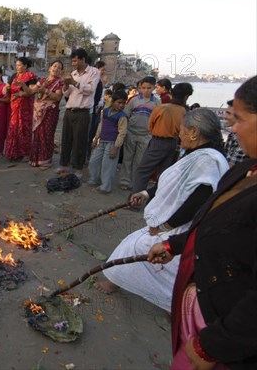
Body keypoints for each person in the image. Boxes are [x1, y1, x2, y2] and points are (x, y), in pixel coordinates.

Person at [147, 76, 257, 369]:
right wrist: (175, 244)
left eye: (240, 119)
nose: (232, 129)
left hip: (230, 339)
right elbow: (211, 218)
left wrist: (211, 347)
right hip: (209, 307)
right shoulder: (247, 168)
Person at [97, 108, 229, 313]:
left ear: (194, 132)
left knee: (135, 246)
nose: (179, 134)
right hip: (173, 224)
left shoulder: (207, 160)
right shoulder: (197, 155)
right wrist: (146, 194)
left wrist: (165, 226)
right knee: (133, 244)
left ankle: (174, 303)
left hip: (181, 228)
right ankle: (120, 282)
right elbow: (172, 182)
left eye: (182, 130)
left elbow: (197, 200)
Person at [131, 83, 192, 193]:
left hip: (158, 141)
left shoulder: (161, 108)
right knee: (164, 175)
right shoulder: (185, 111)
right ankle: (154, 201)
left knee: (143, 171)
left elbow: (150, 127)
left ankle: (135, 201)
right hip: (174, 144)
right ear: (186, 97)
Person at [57, 49, 101, 179]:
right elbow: (67, 93)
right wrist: (65, 85)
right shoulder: (73, 73)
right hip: (69, 110)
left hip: (83, 112)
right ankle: (63, 164)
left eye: (76, 60)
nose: (74, 63)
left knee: (80, 141)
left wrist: (74, 82)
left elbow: (90, 90)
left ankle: (78, 167)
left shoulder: (94, 72)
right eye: (73, 60)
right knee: (66, 139)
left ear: (83, 59)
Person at [119, 76, 161, 190]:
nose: (145, 90)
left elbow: (158, 119)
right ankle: (124, 180)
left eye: (148, 88)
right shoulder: (134, 100)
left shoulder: (157, 102)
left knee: (139, 160)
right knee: (127, 158)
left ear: (153, 88)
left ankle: (134, 182)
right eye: (143, 88)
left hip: (146, 135)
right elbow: (126, 115)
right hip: (131, 132)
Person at [88, 90, 128, 193]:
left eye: (124, 103)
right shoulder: (105, 111)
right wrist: (96, 138)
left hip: (112, 144)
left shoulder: (122, 116)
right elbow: (101, 125)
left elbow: (122, 133)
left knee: (108, 166)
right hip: (102, 141)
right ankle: (94, 179)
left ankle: (105, 187)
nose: (122, 105)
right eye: (119, 102)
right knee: (93, 161)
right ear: (113, 102)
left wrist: (116, 147)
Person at [28, 60, 64, 169]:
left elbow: (58, 97)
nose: (56, 68)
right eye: (54, 66)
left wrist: (46, 91)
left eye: (59, 67)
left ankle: (45, 160)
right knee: (37, 134)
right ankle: (35, 159)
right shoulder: (43, 80)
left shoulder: (59, 82)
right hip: (39, 111)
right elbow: (32, 91)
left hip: (50, 111)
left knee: (47, 135)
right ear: (49, 68)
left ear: (61, 71)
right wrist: (23, 86)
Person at [4, 57, 38, 161]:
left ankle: (25, 153)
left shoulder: (30, 76)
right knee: (14, 128)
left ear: (25, 66)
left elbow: (31, 91)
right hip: (14, 105)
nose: (17, 67)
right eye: (17, 65)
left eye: (19, 65)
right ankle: (14, 152)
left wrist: (22, 90)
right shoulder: (14, 75)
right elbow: (7, 86)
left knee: (24, 128)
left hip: (25, 107)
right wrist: (6, 88)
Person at [87, 60, 106, 160]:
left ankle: (86, 155)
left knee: (90, 134)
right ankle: (86, 156)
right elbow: (97, 98)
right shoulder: (97, 81)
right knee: (89, 134)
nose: (103, 72)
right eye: (102, 70)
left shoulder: (98, 81)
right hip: (92, 111)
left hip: (94, 110)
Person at [223, 99, 248, 166]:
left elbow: (229, 167)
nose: (224, 116)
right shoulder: (233, 135)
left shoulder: (242, 138)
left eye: (228, 113)